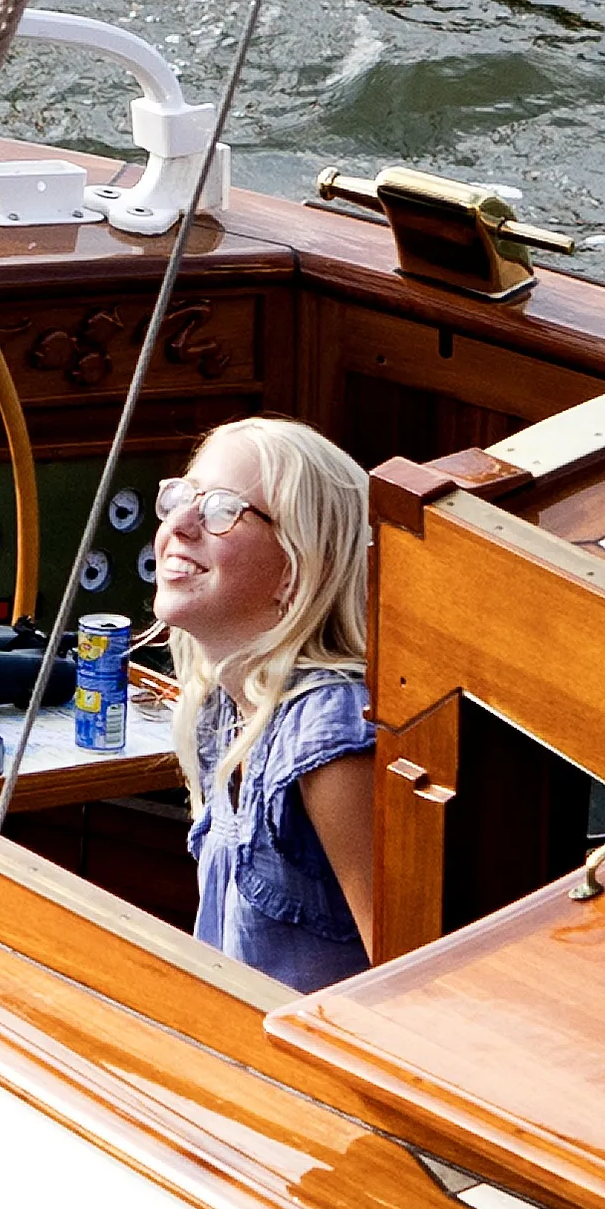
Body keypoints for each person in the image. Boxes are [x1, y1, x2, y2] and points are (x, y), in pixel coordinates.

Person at [149, 415, 380, 993]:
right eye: (181, 496)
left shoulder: (328, 737)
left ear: (299, 565)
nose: (180, 524)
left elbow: (403, 981)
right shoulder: (217, 704)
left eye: (223, 509)